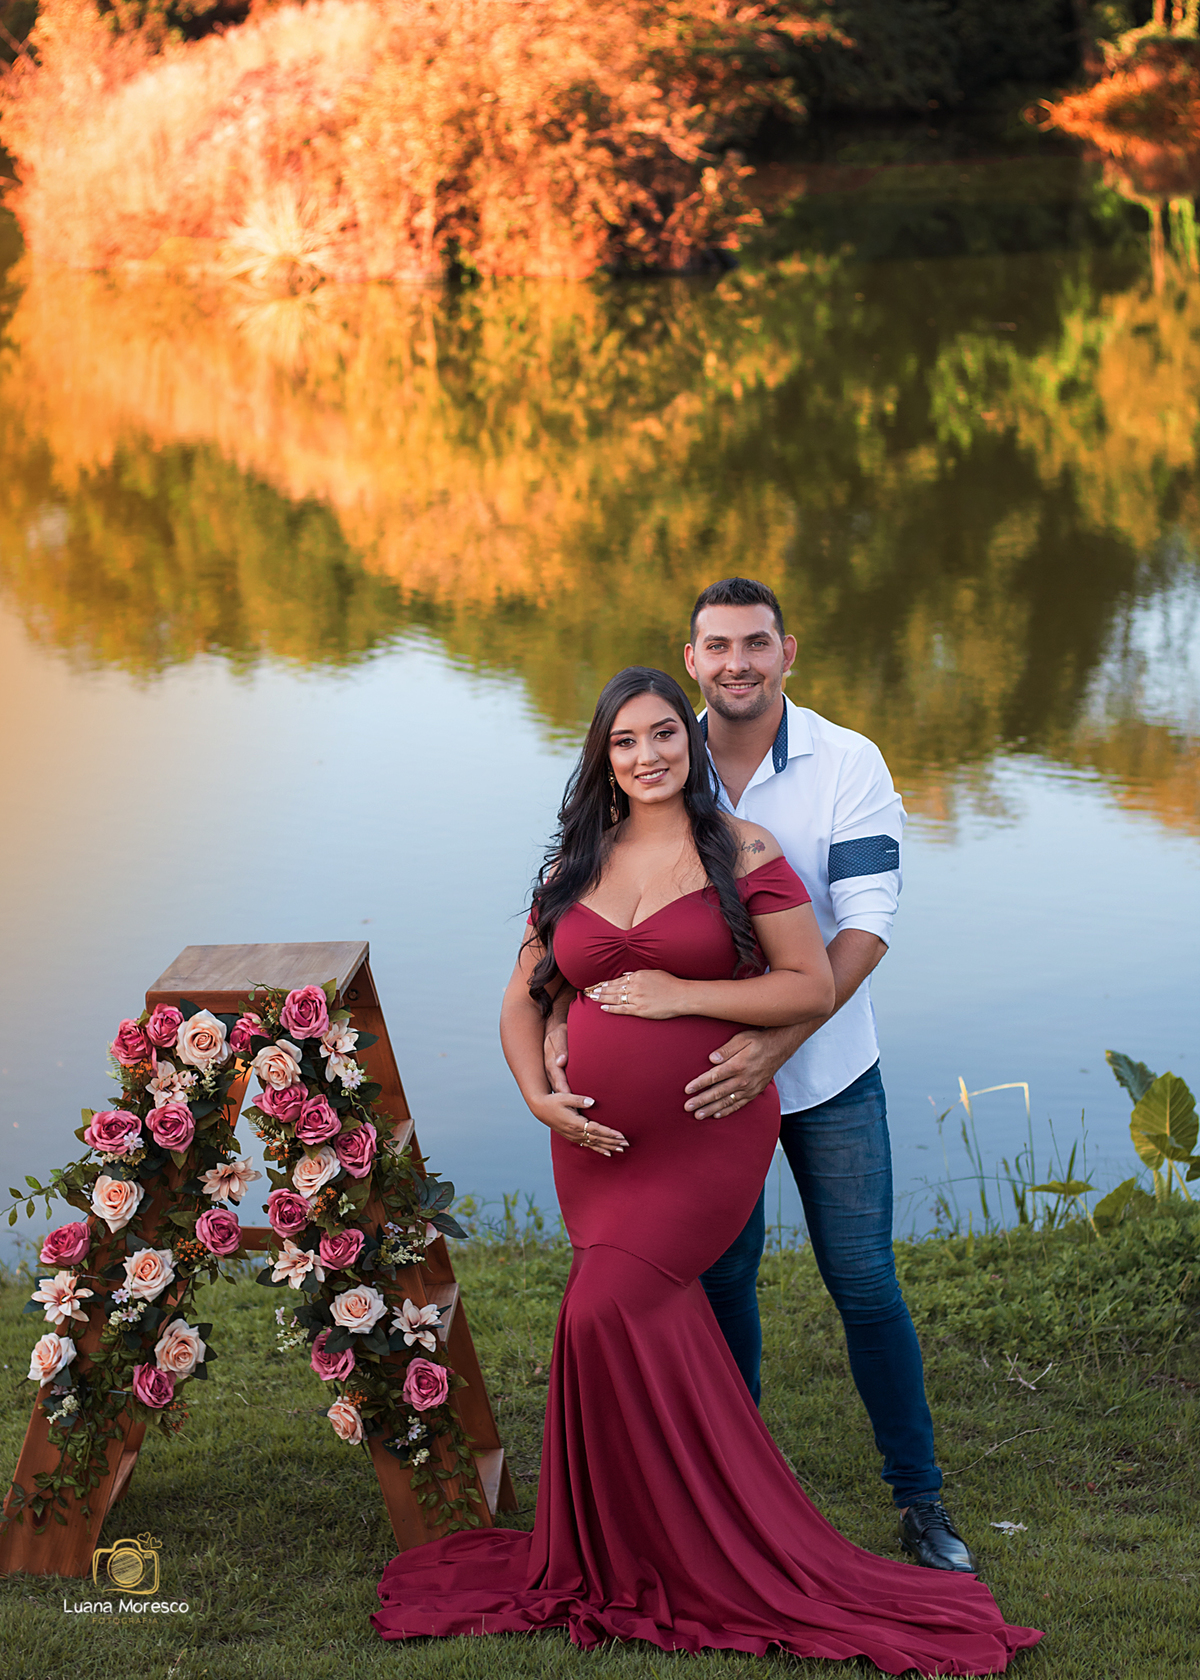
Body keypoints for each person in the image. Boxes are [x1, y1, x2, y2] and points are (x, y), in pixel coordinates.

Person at [373, 665, 1041, 1673]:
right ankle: (641, 1534)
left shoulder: (742, 850)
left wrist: (684, 997)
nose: (648, 756)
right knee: (622, 1320)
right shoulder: (574, 864)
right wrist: (534, 1091)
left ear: (688, 747)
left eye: (663, 738)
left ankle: (716, 1536)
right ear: (603, 755)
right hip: (595, 1149)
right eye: (627, 741)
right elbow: (522, 998)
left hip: (707, 1135)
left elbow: (806, 981)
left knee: (604, 1312)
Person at [545, 577, 972, 1574]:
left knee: (864, 1283)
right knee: (721, 1282)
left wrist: (777, 1048)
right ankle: (732, 1498)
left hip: (825, 1075)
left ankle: (921, 1501)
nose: (736, 661)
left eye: (755, 643)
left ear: (788, 652)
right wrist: (564, 1009)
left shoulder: (848, 764)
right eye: (717, 645)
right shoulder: (653, 748)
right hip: (698, 1108)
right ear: (691, 658)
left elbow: (867, 922)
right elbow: (587, 909)